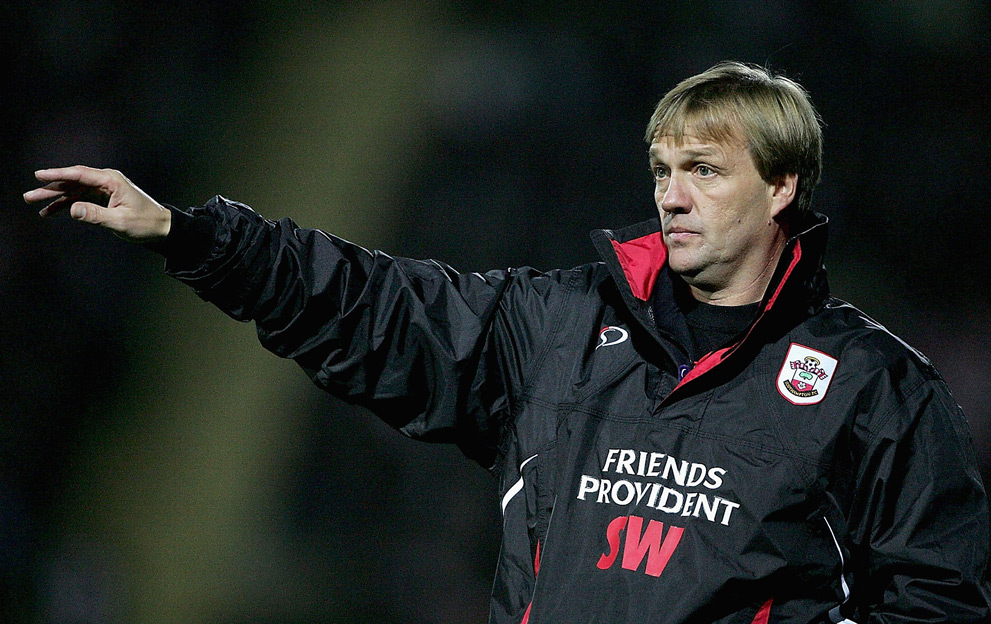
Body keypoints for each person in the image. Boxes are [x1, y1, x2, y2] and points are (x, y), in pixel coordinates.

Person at [24, 62, 991, 623]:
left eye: (703, 169)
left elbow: (938, 601)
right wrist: (192, 237)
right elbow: (375, 308)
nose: (671, 194)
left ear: (781, 187)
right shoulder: (558, 326)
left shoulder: (874, 389)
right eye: (661, 169)